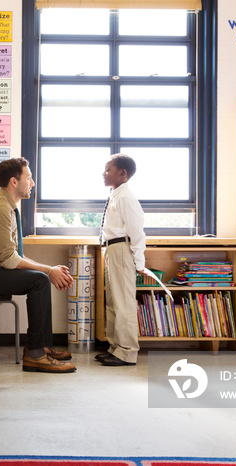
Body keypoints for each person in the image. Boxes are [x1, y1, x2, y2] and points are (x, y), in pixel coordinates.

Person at [0, 157, 77, 373]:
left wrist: (49, 270)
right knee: (39, 279)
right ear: (13, 181)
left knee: (41, 278)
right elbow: (9, 260)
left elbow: (14, 254)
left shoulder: (6, 206)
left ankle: (42, 347)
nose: (32, 183)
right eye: (28, 178)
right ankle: (36, 355)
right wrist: (48, 270)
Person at [96, 153, 146, 367]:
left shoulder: (126, 197)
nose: (103, 173)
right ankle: (115, 347)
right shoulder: (116, 195)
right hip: (112, 249)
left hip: (121, 249)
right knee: (114, 301)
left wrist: (139, 262)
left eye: (108, 169)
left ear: (122, 174)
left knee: (124, 301)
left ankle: (127, 351)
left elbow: (137, 232)